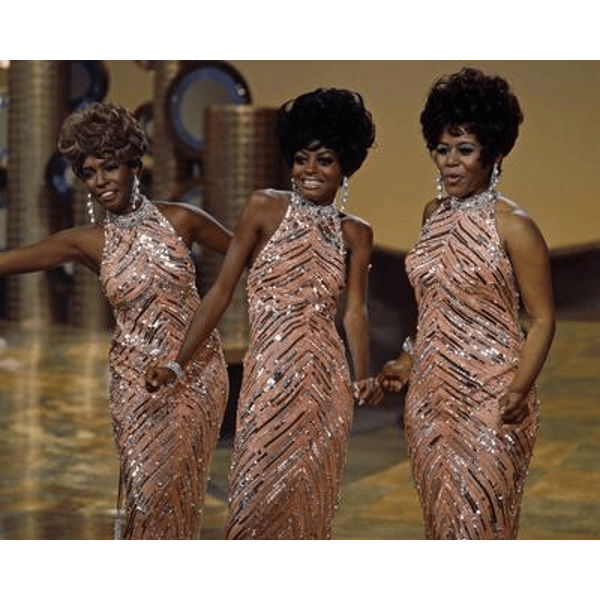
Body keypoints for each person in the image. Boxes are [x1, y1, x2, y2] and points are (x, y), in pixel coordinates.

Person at [146, 88, 381, 539]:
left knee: (308, 501)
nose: (310, 171)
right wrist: (178, 361)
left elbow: (355, 310)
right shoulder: (263, 207)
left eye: (325, 160)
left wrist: (362, 375)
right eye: (301, 158)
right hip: (267, 379)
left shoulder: (357, 233)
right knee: (253, 495)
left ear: (346, 166)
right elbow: (220, 292)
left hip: (324, 382)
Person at [0, 102, 232, 539]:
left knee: (178, 494)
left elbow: (252, 255)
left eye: (110, 166)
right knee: (146, 495)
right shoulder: (86, 242)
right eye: (89, 172)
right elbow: (10, 260)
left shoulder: (183, 220)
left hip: (197, 373)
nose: (100, 181)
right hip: (134, 383)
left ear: (133, 165)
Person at [379, 67, 555, 540]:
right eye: (442, 149)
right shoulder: (431, 215)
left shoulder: (515, 226)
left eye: (465, 149)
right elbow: (433, 307)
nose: (450, 163)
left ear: (494, 153)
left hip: (493, 401)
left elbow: (542, 319)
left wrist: (519, 388)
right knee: (442, 526)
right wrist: (406, 360)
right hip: (430, 401)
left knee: (480, 528)